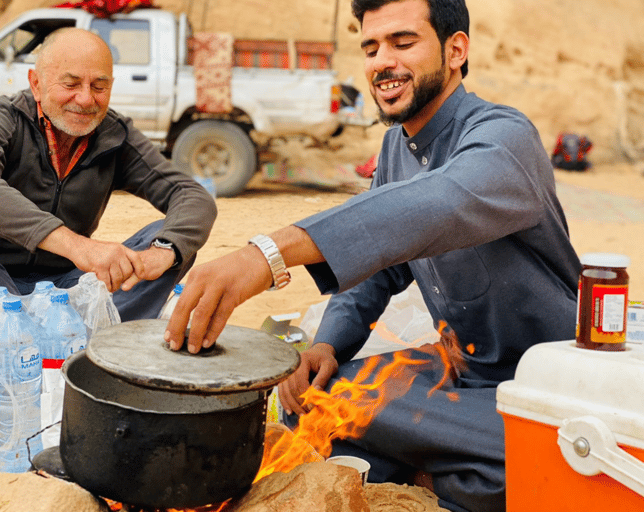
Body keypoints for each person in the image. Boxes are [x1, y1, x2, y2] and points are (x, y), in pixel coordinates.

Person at [164, 1, 580, 511]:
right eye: (371, 47)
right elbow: (380, 267)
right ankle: (440, 471)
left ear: (456, 50)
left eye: (403, 43)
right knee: (307, 399)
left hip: (542, 390)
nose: (383, 61)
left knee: (556, 459)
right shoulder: (394, 150)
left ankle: (430, 475)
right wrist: (329, 346)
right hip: (456, 375)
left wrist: (269, 252)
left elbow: (440, 202)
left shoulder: (503, 136)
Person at [0, 28, 217, 332]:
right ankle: (22, 337)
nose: (85, 99)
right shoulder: (1, 117)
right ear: (36, 84)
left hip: (65, 295)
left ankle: (61, 340)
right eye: (70, 84)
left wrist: (163, 253)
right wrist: (78, 247)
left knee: (172, 236)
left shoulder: (114, 135)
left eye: (99, 86)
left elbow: (191, 196)